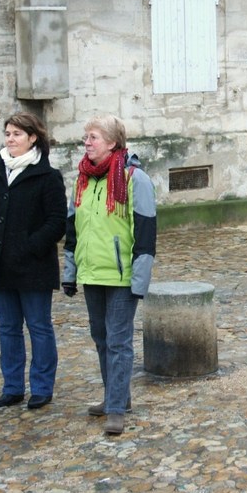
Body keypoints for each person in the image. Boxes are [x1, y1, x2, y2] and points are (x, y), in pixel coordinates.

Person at [62, 115, 157, 435]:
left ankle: (116, 408)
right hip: (92, 273)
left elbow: (145, 234)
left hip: (121, 277)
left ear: (113, 143)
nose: (86, 143)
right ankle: (117, 396)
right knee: (101, 339)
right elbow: (73, 229)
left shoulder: (134, 178)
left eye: (93, 137)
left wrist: (139, 281)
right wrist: (70, 272)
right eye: (86, 137)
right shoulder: (83, 179)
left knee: (118, 341)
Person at [0, 112, 67, 410]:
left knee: (38, 326)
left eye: (17, 134)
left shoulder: (47, 176)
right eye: (8, 134)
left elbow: (56, 222)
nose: (10, 139)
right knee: (7, 328)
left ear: (32, 137)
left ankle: (41, 386)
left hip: (33, 266)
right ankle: (12, 387)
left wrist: (28, 247)